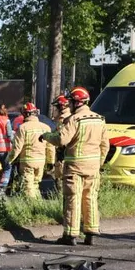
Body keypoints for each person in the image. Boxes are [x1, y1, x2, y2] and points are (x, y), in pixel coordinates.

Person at [45, 86, 108, 245]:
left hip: (75, 167)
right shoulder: (100, 119)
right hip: (93, 168)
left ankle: (70, 235)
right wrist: (98, 163)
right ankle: (91, 233)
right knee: (91, 198)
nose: (69, 105)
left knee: (73, 198)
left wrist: (46, 136)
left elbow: (61, 140)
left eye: (70, 102)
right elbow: (105, 145)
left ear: (76, 103)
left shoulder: (75, 120)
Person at [8, 102, 48, 198]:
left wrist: (9, 160)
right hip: (41, 161)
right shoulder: (46, 127)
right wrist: (50, 162)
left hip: (28, 161)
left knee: (28, 186)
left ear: (25, 114)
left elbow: (17, 147)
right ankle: (38, 206)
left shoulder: (23, 128)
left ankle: (32, 207)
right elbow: (51, 147)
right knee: (35, 184)